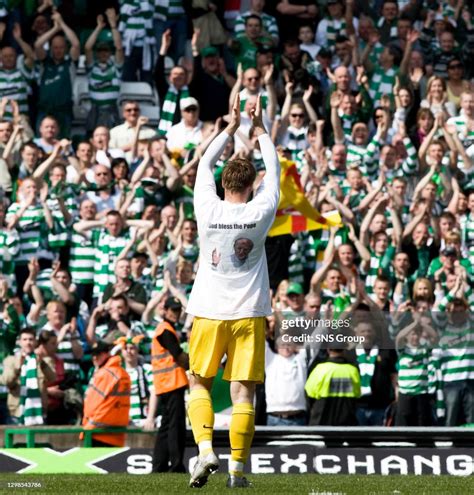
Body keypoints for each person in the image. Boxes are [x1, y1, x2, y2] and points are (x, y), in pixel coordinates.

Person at [186, 94, 280, 488]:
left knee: (199, 383)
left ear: (225, 182)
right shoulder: (262, 211)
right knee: (244, 394)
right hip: (249, 313)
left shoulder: (207, 206)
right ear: (252, 182)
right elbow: (273, 168)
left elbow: (205, 161)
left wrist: (230, 126)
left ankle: (206, 451)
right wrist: (258, 131)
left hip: (208, 311)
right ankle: (238, 473)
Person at [151, 296, 188, 473]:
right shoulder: (166, 330)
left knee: (166, 426)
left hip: (166, 384)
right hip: (172, 383)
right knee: (176, 426)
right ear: (164, 311)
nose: (176, 313)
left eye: (178, 310)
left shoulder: (165, 329)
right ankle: (176, 465)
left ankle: (159, 465)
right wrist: (195, 364)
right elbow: (178, 355)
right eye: (173, 310)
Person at [81, 341, 131, 447]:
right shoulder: (122, 373)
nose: (94, 358)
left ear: (107, 354)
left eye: (98, 354)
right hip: (117, 433)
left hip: (97, 433)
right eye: (93, 354)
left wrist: (87, 427)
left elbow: (92, 405)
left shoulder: (105, 373)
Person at [2, 327, 56, 425]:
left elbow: (52, 378)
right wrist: (17, 368)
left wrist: (42, 364)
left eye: (31, 339)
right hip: (17, 412)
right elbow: (6, 381)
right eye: (25, 339)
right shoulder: (10, 360)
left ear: (35, 342)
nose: (28, 342)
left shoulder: (45, 361)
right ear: (19, 342)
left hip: (38, 411)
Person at [305, 346, 361, 426]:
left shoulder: (320, 369)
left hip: (321, 419)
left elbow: (309, 393)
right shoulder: (352, 370)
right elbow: (357, 394)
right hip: (346, 420)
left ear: (328, 350)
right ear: (344, 350)